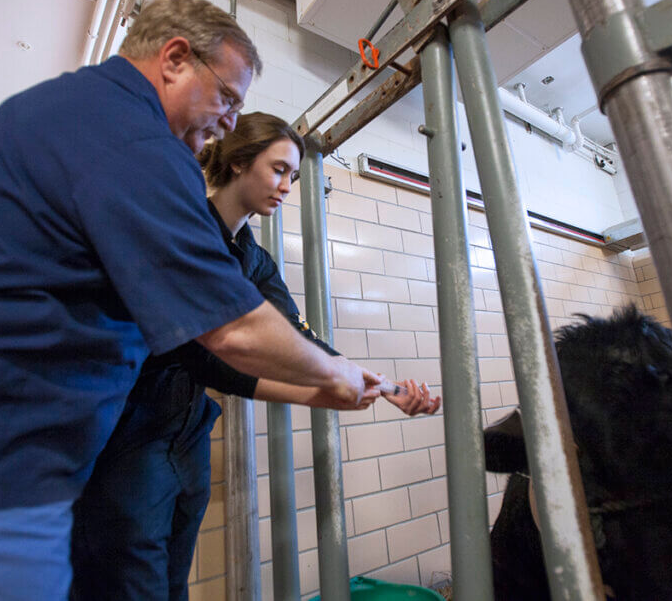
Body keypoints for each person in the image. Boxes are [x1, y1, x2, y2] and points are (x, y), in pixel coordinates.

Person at [0, 0, 381, 601]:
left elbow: (267, 325)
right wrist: (332, 374)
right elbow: (230, 333)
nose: (231, 121)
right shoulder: (135, 141)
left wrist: (335, 378)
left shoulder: (80, 115)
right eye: (228, 99)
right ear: (175, 59)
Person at [70, 112, 441, 601]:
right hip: (127, 432)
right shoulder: (181, 230)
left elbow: (296, 335)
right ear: (240, 162)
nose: (287, 185)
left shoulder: (252, 256)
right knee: (123, 585)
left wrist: (378, 387)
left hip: (186, 434)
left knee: (169, 584)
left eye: (293, 175)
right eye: (279, 169)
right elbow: (207, 354)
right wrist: (331, 387)